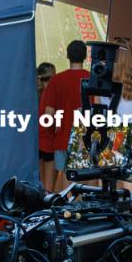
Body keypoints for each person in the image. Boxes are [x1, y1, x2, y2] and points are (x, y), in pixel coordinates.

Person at [101, 37, 132, 192]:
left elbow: (96, 111)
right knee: (130, 188)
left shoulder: (101, 78)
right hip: (130, 133)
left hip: (107, 134)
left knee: (106, 187)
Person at [44, 40, 90, 191]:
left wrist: (53, 131)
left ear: (67, 55)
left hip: (62, 138)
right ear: (85, 56)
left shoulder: (56, 80)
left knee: (66, 180)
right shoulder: (92, 80)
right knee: (81, 182)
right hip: (84, 139)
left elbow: (48, 115)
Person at [37, 62, 56, 191]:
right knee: (48, 189)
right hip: (48, 141)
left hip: (35, 143)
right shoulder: (50, 94)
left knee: (37, 182)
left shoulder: (32, 93)